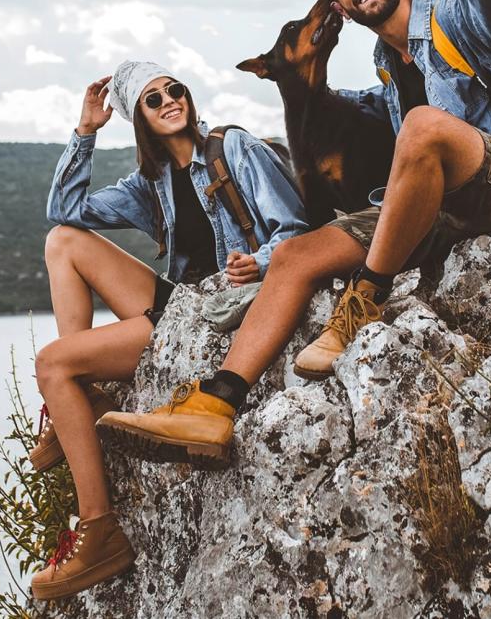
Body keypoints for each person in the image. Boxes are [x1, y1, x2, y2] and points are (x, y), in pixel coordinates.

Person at [97, 0, 491, 464]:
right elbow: (327, 113)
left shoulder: (455, 18)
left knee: (426, 128)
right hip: (444, 208)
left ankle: (365, 296)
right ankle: (215, 406)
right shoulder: (387, 72)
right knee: (297, 254)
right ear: (343, 11)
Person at [28, 59, 307, 600]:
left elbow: (296, 228)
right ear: (139, 117)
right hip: (181, 303)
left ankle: (98, 528)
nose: (169, 101)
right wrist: (85, 132)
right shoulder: (149, 183)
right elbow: (65, 209)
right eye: (152, 100)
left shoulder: (235, 149)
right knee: (63, 239)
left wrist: (260, 259)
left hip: (221, 307)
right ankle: (80, 395)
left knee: (51, 363)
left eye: (174, 90)